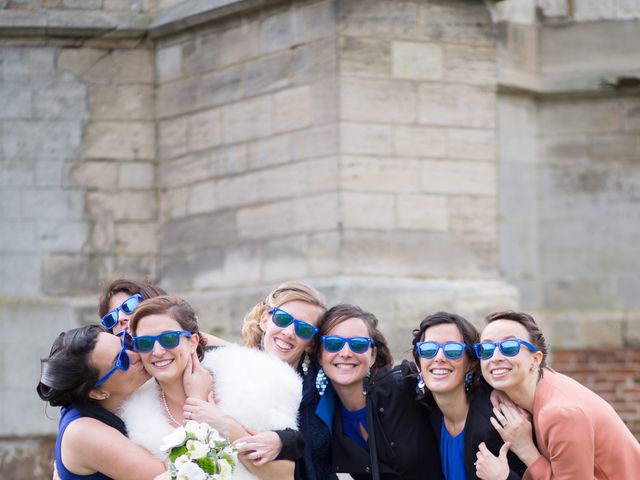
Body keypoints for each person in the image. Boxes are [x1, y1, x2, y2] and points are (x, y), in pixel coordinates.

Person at [120, 295, 300, 480]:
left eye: (169, 339)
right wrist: (197, 406)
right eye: (144, 343)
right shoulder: (137, 418)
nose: (157, 351)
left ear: (193, 341)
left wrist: (225, 424)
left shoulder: (247, 384)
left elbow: (284, 476)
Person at [476, 310, 640, 479]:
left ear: (535, 359)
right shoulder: (543, 381)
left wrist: (525, 451)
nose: (494, 357)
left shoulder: (560, 414)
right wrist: (501, 391)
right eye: (486, 349)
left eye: (510, 347)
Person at [315, 304, 443, 480]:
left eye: (358, 345)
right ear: (319, 355)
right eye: (333, 343)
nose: (345, 353)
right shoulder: (323, 416)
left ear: (372, 355)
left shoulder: (405, 385)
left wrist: (494, 392)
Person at [37, 325, 166, 480]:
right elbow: (174, 474)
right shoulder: (83, 433)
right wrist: (197, 404)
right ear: (98, 393)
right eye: (121, 360)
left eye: (126, 342)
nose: (136, 355)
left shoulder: (121, 398)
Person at [411, 312, 526, 480]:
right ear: (418, 363)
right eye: (428, 349)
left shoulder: (497, 422)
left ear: (471, 363)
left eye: (453, 350)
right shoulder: (426, 412)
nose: (439, 357)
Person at [239, 281, 334, 480]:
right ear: (264, 319)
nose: (289, 332)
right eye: (282, 319)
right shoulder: (232, 371)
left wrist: (287, 440)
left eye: (304, 329)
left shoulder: (325, 385)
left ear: (311, 343)